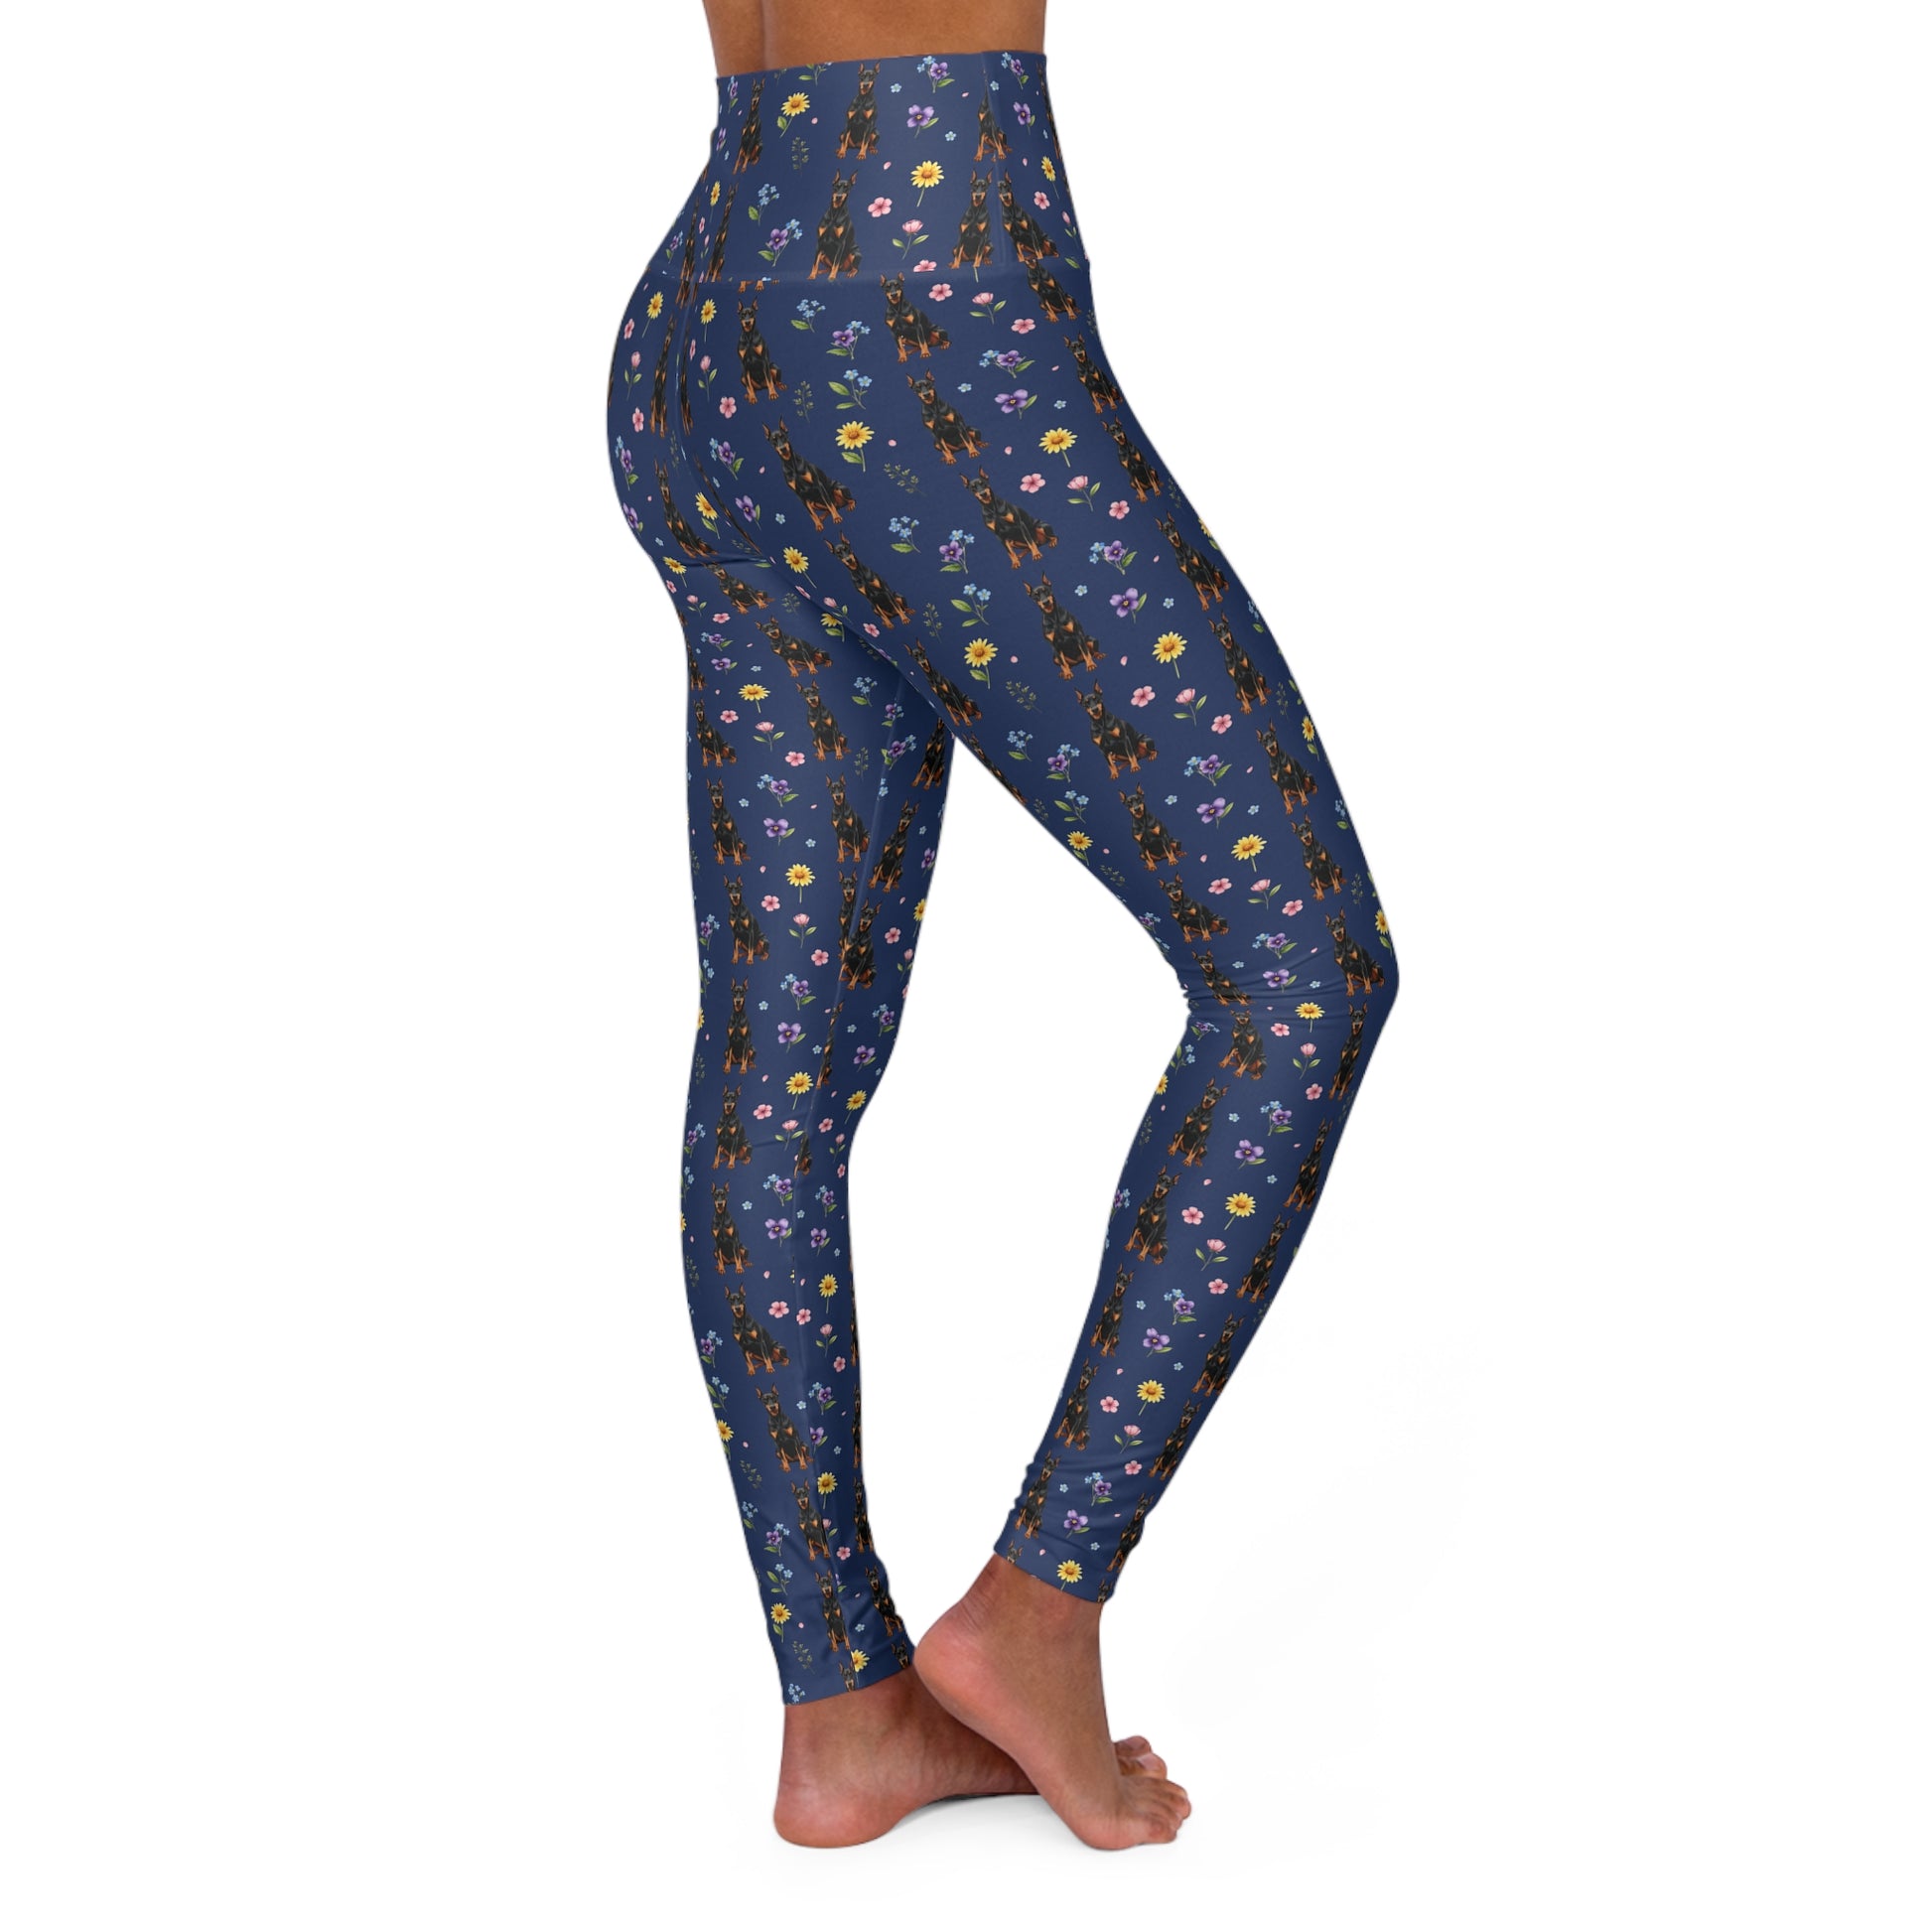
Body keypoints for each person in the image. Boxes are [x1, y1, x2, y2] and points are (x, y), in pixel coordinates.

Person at [605, 0, 1403, 1850]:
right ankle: (1035, 1605)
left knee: (778, 1068)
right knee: (1301, 970)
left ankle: (843, 1714)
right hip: (926, 295)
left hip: (711, 320)